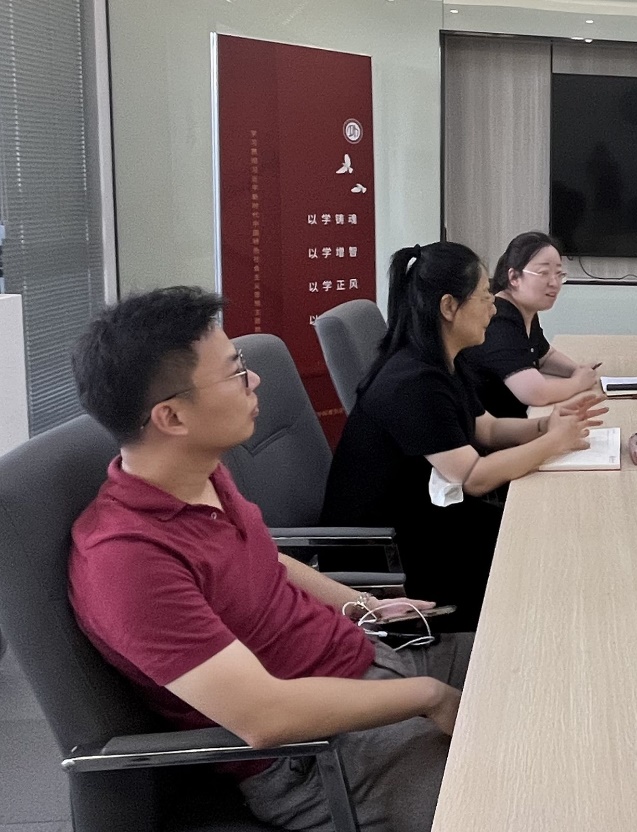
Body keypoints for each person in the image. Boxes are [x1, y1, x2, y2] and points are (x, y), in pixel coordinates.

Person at [69, 286, 471, 832]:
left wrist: (365, 605)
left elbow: (267, 561)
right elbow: (266, 717)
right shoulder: (127, 563)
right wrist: (428, 696)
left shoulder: (199, 471)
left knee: (546, 665)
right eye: (236, 372)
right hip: (318, 751)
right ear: (172, 417)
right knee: (518, 788)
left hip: (368, 658)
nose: (254, 380)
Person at [323, 242, 605, 630]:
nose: (493, 309)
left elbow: (485, 428)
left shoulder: (441, 361)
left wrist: (546, 425)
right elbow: (473, 477)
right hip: (394, 553)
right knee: (543, 557)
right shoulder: (413, 382)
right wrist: (552, 442)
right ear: (449, 307)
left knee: (552, 535)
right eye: (485, 297)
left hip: (428, 517)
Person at [457, 231, 599, 418]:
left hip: (517, 422)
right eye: (544, 273)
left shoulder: (525, 310)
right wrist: (578, 382)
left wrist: (577, 370)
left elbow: (545, 357)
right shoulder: (499, 320)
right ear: (514, 277)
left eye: (559, 274)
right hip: (494, 430)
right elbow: (535, 393)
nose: (554, 283)